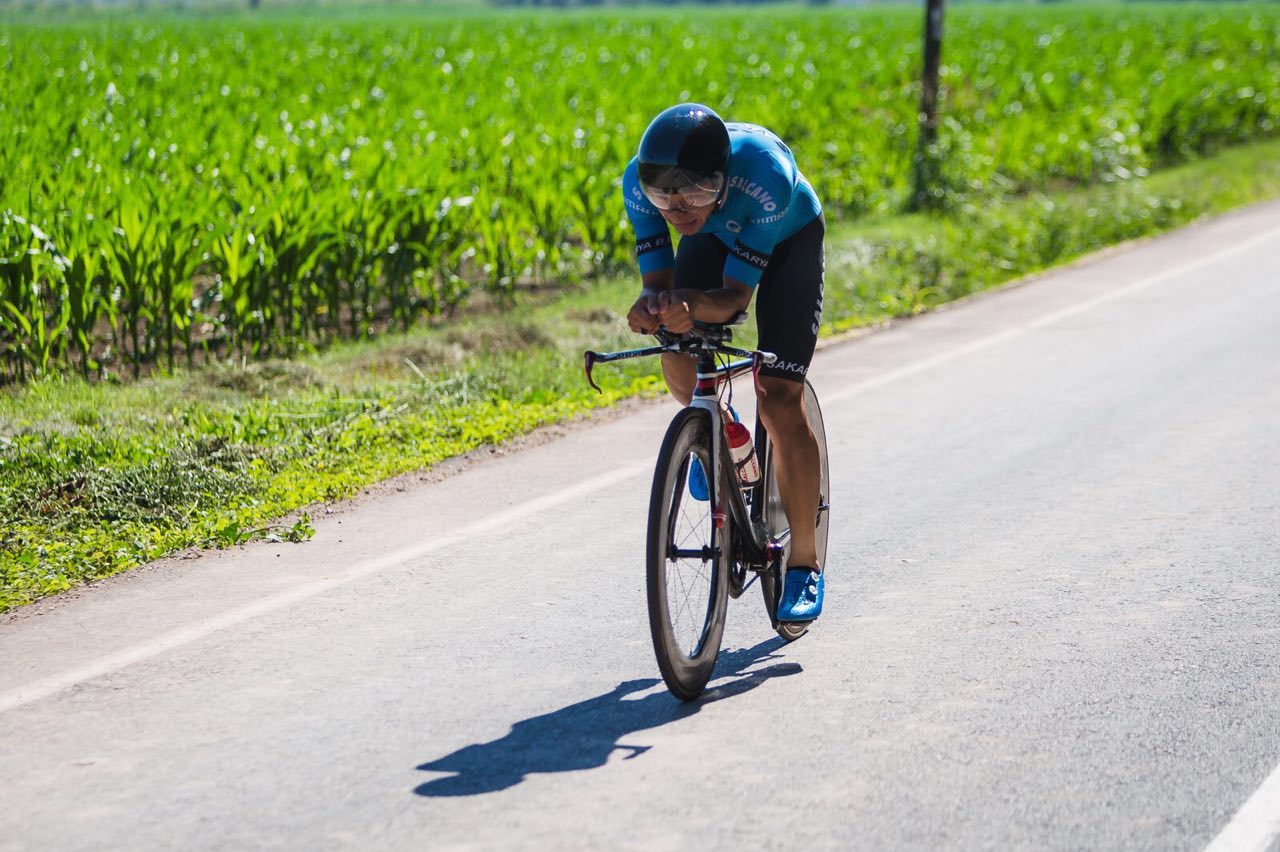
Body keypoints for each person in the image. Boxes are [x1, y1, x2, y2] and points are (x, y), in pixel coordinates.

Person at [621, 103, 826, 623]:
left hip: (785, 240)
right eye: (664, 197)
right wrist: (653, 306)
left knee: (779, 399)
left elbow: (734, 298)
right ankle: (721, 433)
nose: (677, 208)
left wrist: (689, 304)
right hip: (714, 240)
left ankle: (805, 562)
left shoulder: (764, 175)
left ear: (722, 179)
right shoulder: (639, 185)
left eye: (693, 194)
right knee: (674, 337)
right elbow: (660, 287)